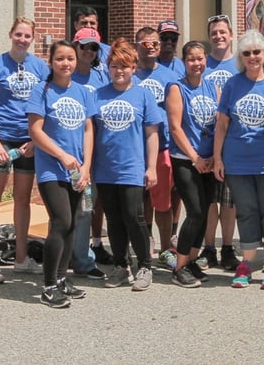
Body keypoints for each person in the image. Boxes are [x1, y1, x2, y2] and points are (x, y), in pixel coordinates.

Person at [213, 29, 264, 290]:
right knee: (246, 212)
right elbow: (222, 124)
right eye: (246, 53)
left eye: (257, 52)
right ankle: (246, 263)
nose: (252, 57)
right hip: (238, 160)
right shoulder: (233, 84)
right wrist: (218, 158)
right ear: (241, 57)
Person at [28, 39, 99, 308]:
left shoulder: (82, 92)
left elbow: (88, 130)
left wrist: (86, 166)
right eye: (60, 59)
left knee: (71, 224)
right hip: (51, 169)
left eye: (70, 58)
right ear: (51, 62)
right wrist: (62, 156)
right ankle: (47, 286)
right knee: (61, 220)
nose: (66, 63)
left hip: (77, 171)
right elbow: (35, 131)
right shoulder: (42, 90)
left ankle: (61, 280)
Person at [0, 16, 49, 284]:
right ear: (11, 35)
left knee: (22, 200)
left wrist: (36, 140)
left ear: (32, 38)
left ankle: (21, 258)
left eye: (27, 36)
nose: (22, 39)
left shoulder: (40, 67)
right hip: (3, 139)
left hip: (28, 141)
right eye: (18, 34)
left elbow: (45, 105)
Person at [92, 39, 161, 291]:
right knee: (114, 219)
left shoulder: (143, 94)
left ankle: (145, 265)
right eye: (114, 66)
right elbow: (90, 133)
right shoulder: (97, 95)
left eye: (124, 66)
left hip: (132, 167)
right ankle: (121, 265)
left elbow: (152, 133)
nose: (119, 71)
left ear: (133, 68)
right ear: (108, 68)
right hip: (105, 168)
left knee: (134, 216)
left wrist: (151, 167)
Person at [166, 40, 220, 288]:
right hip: (186, 160)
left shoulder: (212, 87)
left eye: (200, 58)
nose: (196, 63)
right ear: (183, 61)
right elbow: (176, 128)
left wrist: (214, 158)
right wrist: (194, 158)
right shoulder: (177, 88)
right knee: (195, 211)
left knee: (206, 210)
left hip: (208, 161)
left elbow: (219, 124)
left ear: (205, 59)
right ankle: (179, 267)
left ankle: (191, 260)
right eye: (191, 59)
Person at [133, 26, 179, 268]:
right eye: (144, 43)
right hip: (133, 148)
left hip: (162, 146)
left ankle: (165, 249)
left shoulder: (169, 77)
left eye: (154, 43)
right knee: (139, 202)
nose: (150, 47)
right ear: (137, 45)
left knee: (162, 202)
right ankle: (144, 245)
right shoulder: (129, 76)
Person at [71, 26, 113, 270]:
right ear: (76, 46)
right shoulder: (65, 74)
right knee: (66, 210)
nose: (88, 51)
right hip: (68, 153)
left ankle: (82, 260)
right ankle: (66, 254)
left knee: (86, 208)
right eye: (84, 46)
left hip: (94, 155)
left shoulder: (101, 77)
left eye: (93, 47)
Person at [202, 13, 239, 270]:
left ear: (231, 35)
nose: (218, 36)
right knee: (208, 200)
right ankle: (209, 248)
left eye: (223, 32)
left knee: (229, 201)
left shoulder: (240, 64)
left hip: (233, 143)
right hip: (205, 142)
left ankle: (227, 247)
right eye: (214, 33)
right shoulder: (200, 64)